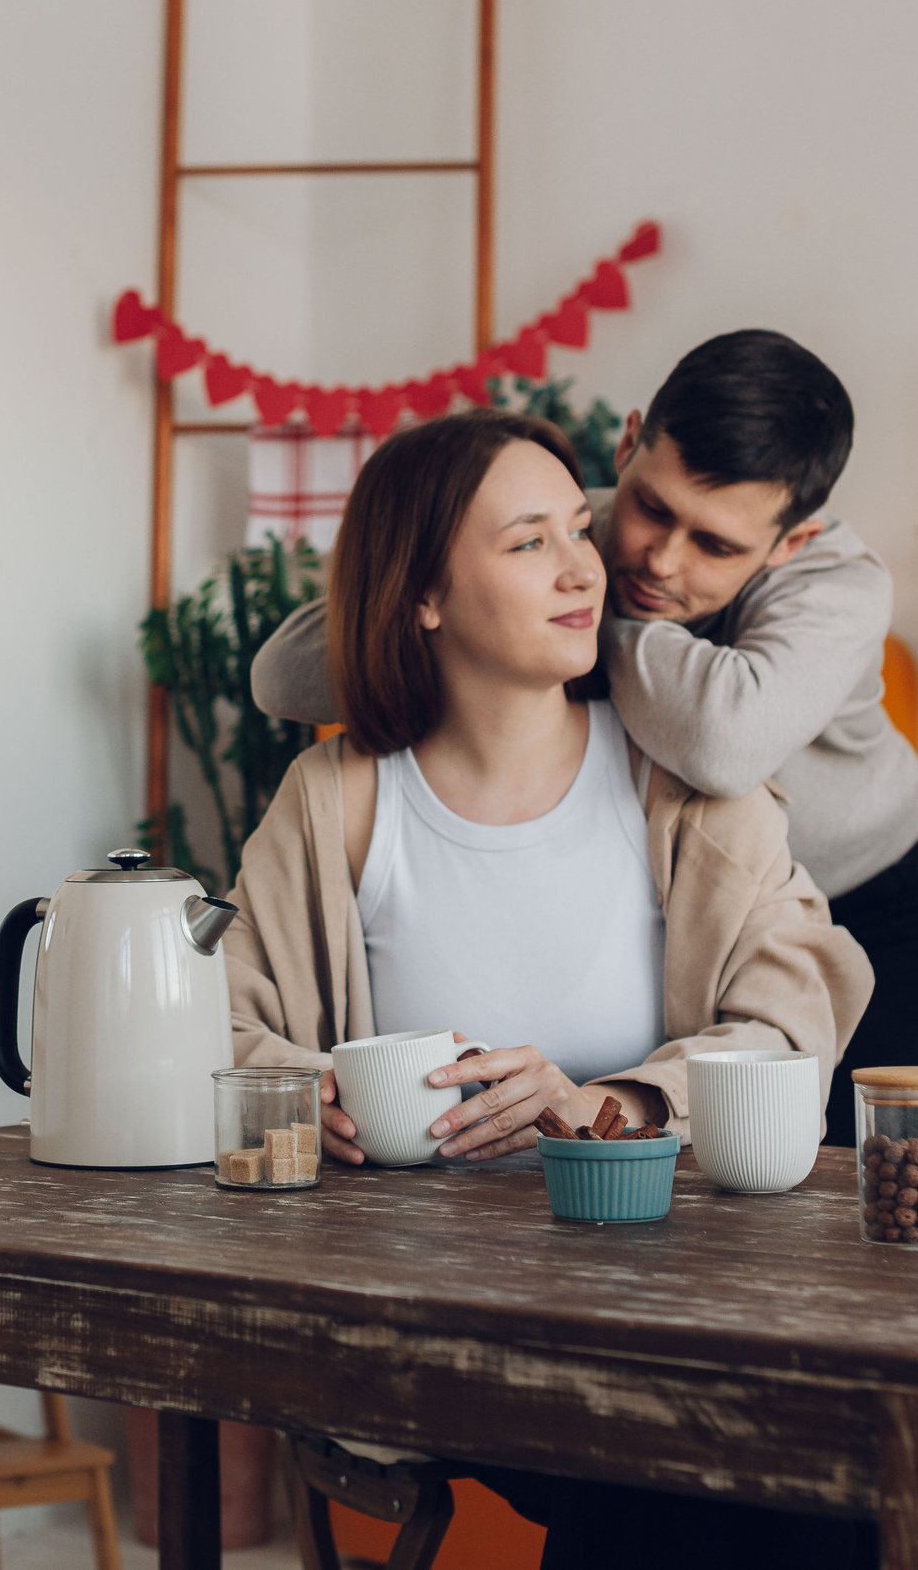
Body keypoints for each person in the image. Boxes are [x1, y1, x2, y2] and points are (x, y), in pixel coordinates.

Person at [222, 407, 878, 1568]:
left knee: (794, 1470)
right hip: (416, 1323)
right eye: (530, 542)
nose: (587, 569)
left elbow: (790, 1024)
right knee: (686, 1480)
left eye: (580, 528)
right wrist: (304, 1095)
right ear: (423, 593)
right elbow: (219, 1027)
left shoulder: (689, 793)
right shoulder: (337, 801)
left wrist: (607, 1104)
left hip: (666, 1308)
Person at [252, 331, 918, 1148]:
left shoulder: (838, 584)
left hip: (868, 885)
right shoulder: (570, 529)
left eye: (717, 545)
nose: (658, 557)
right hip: (668, 871)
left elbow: (721, 746)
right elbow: (288, 673)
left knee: (837, 1164)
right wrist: (489, 595)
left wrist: (563, 621)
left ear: (787, 543)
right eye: (650, 508)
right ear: (628, 446)